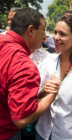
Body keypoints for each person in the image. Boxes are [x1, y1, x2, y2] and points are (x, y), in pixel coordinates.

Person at [0, 8, 60, 140]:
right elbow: (21, 119)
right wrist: (50, 96)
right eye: (43, 29)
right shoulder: (23, 65)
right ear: (31, 30)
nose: (44, 36)